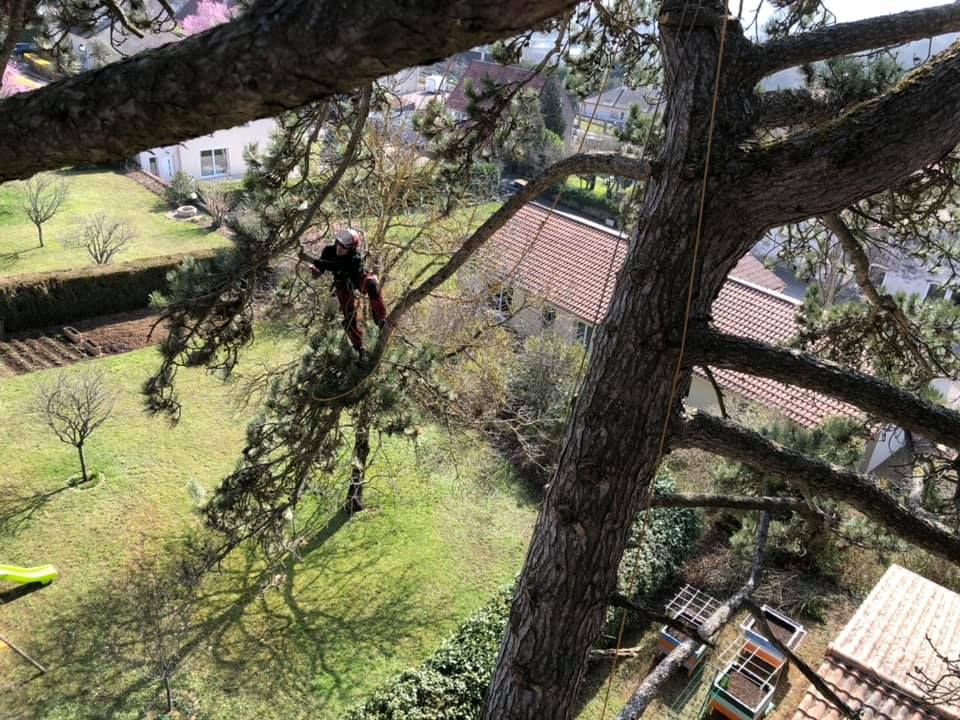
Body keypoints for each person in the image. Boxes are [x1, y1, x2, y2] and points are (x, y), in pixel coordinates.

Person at [299, 228, 387, 358]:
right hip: (342, 283)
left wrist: (312, 260)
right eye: (338, 244)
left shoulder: (355, 258)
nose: (339, 249)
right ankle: (359, 347)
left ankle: (381, 319)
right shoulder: (329, 251)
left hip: (357, 278)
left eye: (344, 247)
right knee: (349, 315)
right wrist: (315, 271)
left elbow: (337, 266)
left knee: (372, 284)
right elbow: (321, 270)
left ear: (351, 249)